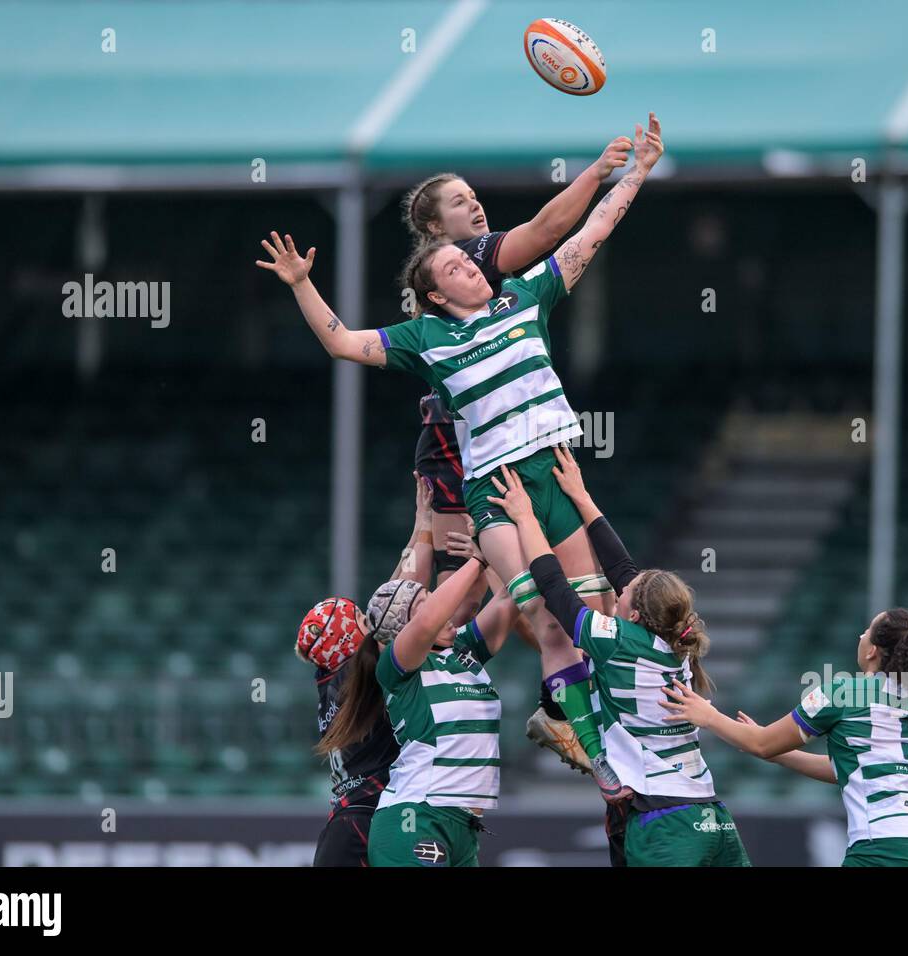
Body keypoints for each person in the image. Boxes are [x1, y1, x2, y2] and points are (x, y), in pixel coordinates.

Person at [258, 114, 664, 802]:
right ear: (439, 292)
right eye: (452, 265)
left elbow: (591, 234)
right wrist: (301, 283)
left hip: (555, 472)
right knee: (541, 615)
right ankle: (604, 768)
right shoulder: (426, 336)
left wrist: (640, 170)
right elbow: (344, 343)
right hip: (498, 489)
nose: (469, 265)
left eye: (465, 262)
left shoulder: (527, 295)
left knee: (595, 617)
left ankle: (585, 724)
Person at [401, 144, 631, 771]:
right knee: (506, 600)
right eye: (457, 200)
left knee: (531, 604)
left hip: (492, 445)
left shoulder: (467, 284)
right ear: (430, 231)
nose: (473, 203)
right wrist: (604, 172)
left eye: (473, 192)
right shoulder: (472, 258)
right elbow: (551, 230)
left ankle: (556, 712)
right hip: (465, 454)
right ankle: (435, 698)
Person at [487, 447, 751, 866]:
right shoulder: (675, 638)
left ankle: (580, 734)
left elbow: (555, 588)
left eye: (626, 591)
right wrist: (581, 496)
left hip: (665, 821)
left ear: (635, 613)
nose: (620, 587)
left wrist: (524, 516)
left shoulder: (618, 641)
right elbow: (622, 566)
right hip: (711, 816)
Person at [665, 608, 908, 867]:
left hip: (890, 843)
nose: (860, 635)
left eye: (866, 630)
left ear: (872, 650)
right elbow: (851, 768)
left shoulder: (842, 691)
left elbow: (761, 743)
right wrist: (775, 750)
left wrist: (709, 717)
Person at [298, 472, 434, 866]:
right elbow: (402, 598)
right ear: (347, 640)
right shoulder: (360, 672)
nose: (367, 619)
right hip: (368, 822)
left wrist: (419, 528)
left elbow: (391, 595)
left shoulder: (331, 673)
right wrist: (425, 528)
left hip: (347, 823)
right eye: (358, 619)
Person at [361, 535, 518, 867]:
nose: (445, 609)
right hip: (415, 817)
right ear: (402, 625)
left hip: (463, 826)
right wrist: (476, 562)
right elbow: (429, 620)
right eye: (426, 602)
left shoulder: (462, 651)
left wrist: (491, 546)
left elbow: (508, 597)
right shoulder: (396, 664)